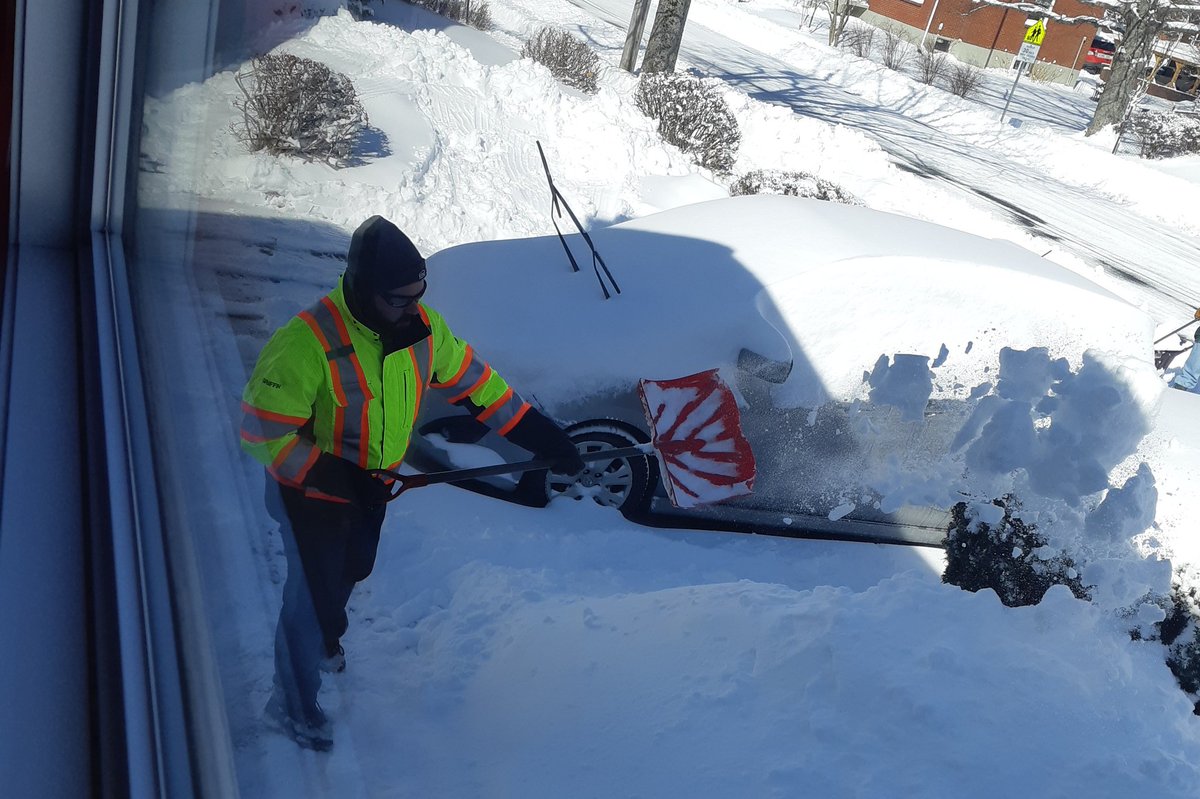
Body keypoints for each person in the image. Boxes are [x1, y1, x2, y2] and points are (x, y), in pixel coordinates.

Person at [240, 216, 585, 751]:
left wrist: (544, 438)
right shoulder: (307, 342)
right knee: (311, 595)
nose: (411, 308)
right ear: (363, 288)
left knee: (354, 567)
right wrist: (339, 479)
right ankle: (288, 705)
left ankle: (326, 639)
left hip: (371, 486)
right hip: (308, 490)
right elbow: (263, 430)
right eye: (398, 299)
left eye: (417, 295)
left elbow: (480, 386)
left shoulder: (424, 330)